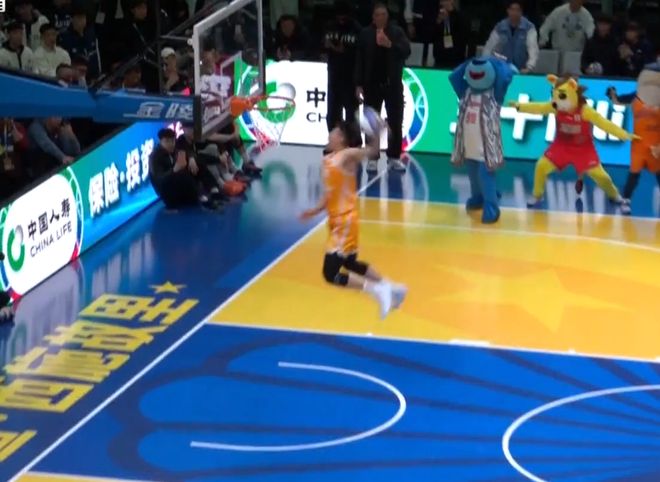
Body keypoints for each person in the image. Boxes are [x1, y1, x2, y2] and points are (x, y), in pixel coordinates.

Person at [300, 120, 407, 319]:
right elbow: (329, 193)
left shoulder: (347, 155)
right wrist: (314, 211)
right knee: (350, 263)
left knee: (330, 273)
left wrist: (378, 133)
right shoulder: (328, 159)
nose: (330, 134)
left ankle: (377, 291)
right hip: (336, 222)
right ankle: (392, 288)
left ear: (341, 137)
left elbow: (371, 151)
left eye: (333, 131)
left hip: (345, 221)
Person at [512, 75, 638, 206]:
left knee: (602, 177)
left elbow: (604, 124)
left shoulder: (585, 111)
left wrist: (624, 134)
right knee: (541, 166)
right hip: (561, 147)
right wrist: (520, 106)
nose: (555, 101)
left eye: (561, 96)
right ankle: (537, 195)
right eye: (554, 96)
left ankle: (614, 196)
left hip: (584, 150)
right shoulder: (555, 107)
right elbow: (539, 108)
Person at [355, 3, 411, 172]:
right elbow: (359, 60)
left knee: (395, 121)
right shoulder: (365, 34)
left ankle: (394, 157)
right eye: (377, 14)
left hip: (392, 84)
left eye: (384, 14)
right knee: (371, 123)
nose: (381, 17)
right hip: (371, 84)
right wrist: (358, 84)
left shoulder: (397, 32)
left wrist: (390, 45)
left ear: (387, 16)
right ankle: (372, 158)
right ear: (373, 17)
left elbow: (406, 51)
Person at [150, 128, 223, 210]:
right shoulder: (155, 157)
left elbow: (197, 157)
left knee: (197, 165)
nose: (171, 144)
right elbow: (159, 179)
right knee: (183, 174)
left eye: (172, 141)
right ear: (160, 142)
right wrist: (174, 170)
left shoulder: (175, 151)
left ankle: (214, 191)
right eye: (167, 141)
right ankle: (202, 199)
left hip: (178, 187)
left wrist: (192, 158)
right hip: (167, 193)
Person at [324, 1, 362, 131]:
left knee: (352, 115)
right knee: (332, 115)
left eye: (343, 16)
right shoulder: (329, 26)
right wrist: (326, 49)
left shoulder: (357, 29)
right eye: (338, 16)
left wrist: (342, 51)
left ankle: (353, 141)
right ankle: (334, 139)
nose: (341, 19)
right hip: (333, 76)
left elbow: (360, 54)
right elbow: (320, 46)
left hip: (350, 78)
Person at [483, 0, 538, 73]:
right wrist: (485, 64)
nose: (514, 13)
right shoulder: (500, 27)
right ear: (508, 11)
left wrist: (529, 67)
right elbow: (489, 48)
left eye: (517, 10)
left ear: (521, 12)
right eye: (512, 10)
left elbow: (533, 49)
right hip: (502, 69)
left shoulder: (529, 28)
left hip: (522, 70)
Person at [431, 0, 467, 70]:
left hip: (455, 58)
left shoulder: (459, 17)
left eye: (444, 1)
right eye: (441, 1)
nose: (441, 3)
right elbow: (432, 35)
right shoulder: (437, 16)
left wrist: (447, 21)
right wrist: (439, 21)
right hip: (439, 57)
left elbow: (461, 37)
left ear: (451, 1)